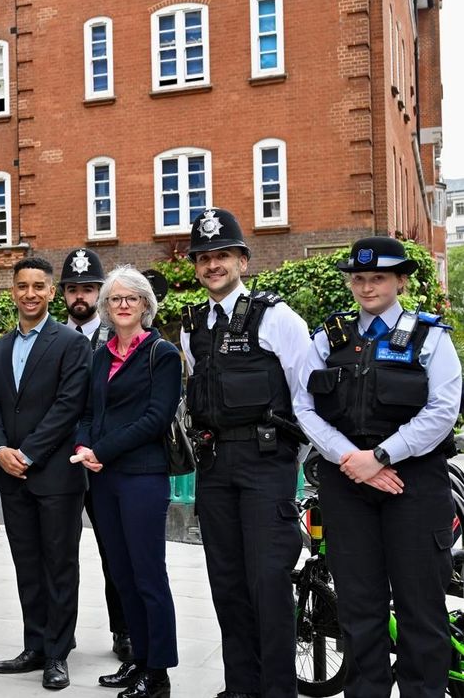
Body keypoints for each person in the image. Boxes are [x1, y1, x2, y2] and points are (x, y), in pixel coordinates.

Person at [294, 236, 461, 697]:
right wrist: (351, 459)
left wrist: (380, 457)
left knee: (421, 612)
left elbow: (443, 411)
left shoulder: (430, 336)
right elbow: (303, 405)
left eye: (378, 278)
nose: (367, 287)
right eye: (359, 278)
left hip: (414, 485)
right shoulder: (328, 338)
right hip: (347, 484)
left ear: (401, 281)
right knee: (358, 610)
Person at [179, 208, 309, 698]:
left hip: (265, 465)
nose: (213, 265)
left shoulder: (277, 317)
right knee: (227, 582)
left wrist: (300, 460)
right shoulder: (193, 326)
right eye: (204, 258)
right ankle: (241, 687)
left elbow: (306, 396)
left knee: (269, 583)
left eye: (223, 256)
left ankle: (278, 691)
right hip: (215, 467)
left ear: (243, 261)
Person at [0, 256, 92, 691]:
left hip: (56, 476)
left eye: (38, 286)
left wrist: (27, 453)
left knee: (59, 566)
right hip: (12, 476)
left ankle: (57, 653)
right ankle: (34, 645)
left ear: (51, 292)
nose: (30, 294)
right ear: (13, 292)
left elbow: (69, 406)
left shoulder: (71, 343)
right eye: (22, 286)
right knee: (26, 564)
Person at [72, 266, 180, 698]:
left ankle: (158, 673)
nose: (122, 305)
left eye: (131, 298)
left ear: (145, 305)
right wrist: (84, 446)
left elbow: (156, 418)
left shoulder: (162, 354)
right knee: (121, 574)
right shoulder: (100, 356)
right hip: (103, 479)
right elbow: (88, 412)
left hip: (142, 477)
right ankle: (137, 659)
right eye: (114, 298)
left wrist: (102, 450)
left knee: (148, 574)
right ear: (106, 306)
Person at [58, 246, 130, 663]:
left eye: (88, 288)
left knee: (115, 552)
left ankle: (124, 630)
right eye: (73, 289)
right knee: (60, 554)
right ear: (64, 294)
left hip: (107, 462)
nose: (80, 296)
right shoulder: (51, 336)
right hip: (61, 462)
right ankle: (59, 634)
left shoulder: (121, 336)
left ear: (100, 293)